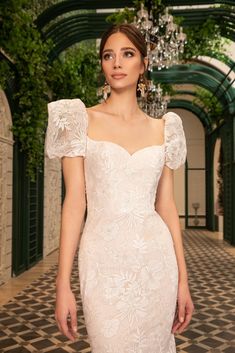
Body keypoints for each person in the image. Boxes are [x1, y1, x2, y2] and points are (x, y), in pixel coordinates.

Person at [45, 23, 194, 353]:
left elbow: (167, 207)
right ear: (101, 64)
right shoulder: (78, 120)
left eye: (128, 54)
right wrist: (62, 284)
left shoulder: (165, 128)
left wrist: (183, 281)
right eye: (108, 55)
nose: (117, 63)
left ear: (142, 65)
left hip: (157, 263)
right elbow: (74, 203)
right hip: (103, 263)